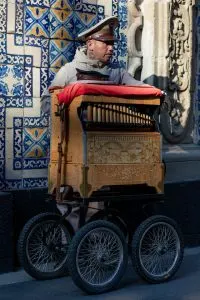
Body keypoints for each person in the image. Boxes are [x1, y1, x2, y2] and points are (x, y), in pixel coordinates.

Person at [41, 15, 146, 114]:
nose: (111, 48)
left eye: (112, 44)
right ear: (90, 45)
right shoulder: (69, 71)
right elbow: (46, 104)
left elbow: (140, 88)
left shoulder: (118, 72)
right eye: (106, 43)